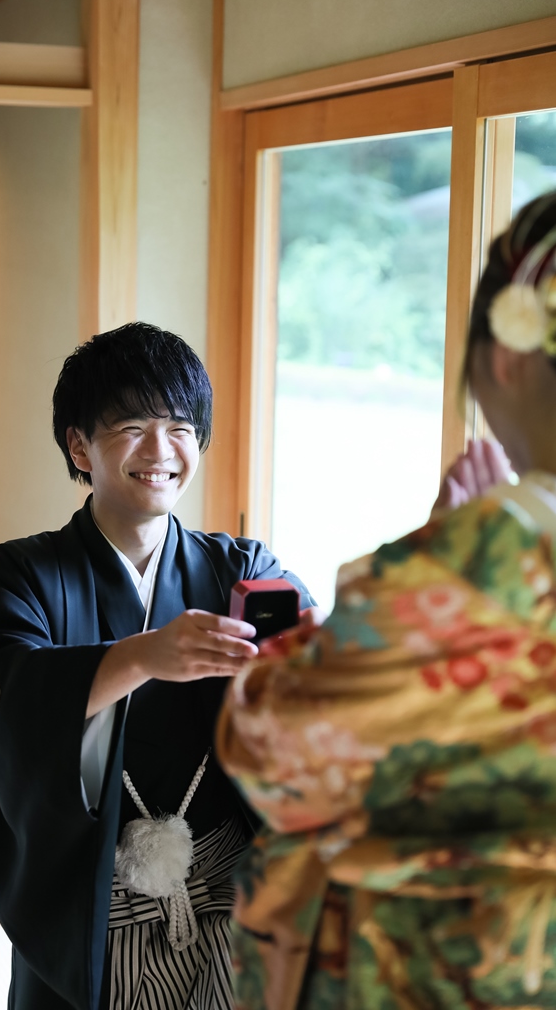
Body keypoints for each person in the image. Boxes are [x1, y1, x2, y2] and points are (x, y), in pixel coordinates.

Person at [217, 190, 556, 1010]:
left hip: (457, 967)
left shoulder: (483, 560)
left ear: (505, 356)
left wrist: (432, 551)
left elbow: (268, 747)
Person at [0, 322, 317, 1010]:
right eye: (132, 427)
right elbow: (2, 693)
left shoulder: (241, 567)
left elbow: (321, 680)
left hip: (228, 889)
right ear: (79, 445)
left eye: (181, 428)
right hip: (92, 904)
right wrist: (140, 656)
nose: (161, 450)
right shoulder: (18, 574)